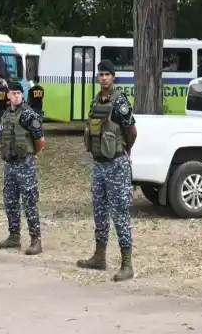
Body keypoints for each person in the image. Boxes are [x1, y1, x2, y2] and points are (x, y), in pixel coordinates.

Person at [76, 59, 138, 282]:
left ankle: (127, 264)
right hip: (99, 164)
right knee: (99, 211)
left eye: (107, 74)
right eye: (100, 74)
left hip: (116, 164)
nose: (103, 78)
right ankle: (99, 256)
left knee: (120, 213)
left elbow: (131, 131)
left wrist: (125, 151)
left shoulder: (120, 101)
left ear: (113, 77)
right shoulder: (95, 101)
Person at [0, 81, 46, 255]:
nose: (16, 96)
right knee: (10, 200)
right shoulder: (6, 115)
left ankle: (35, 240)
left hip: (25, 163)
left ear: (22, 95)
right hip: (10, 164)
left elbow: (40, 141)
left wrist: (31, 155)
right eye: (13, 93)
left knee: (29, 201)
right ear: (7, 95)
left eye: (18, 93)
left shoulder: (29, 115)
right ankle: (14, 236)